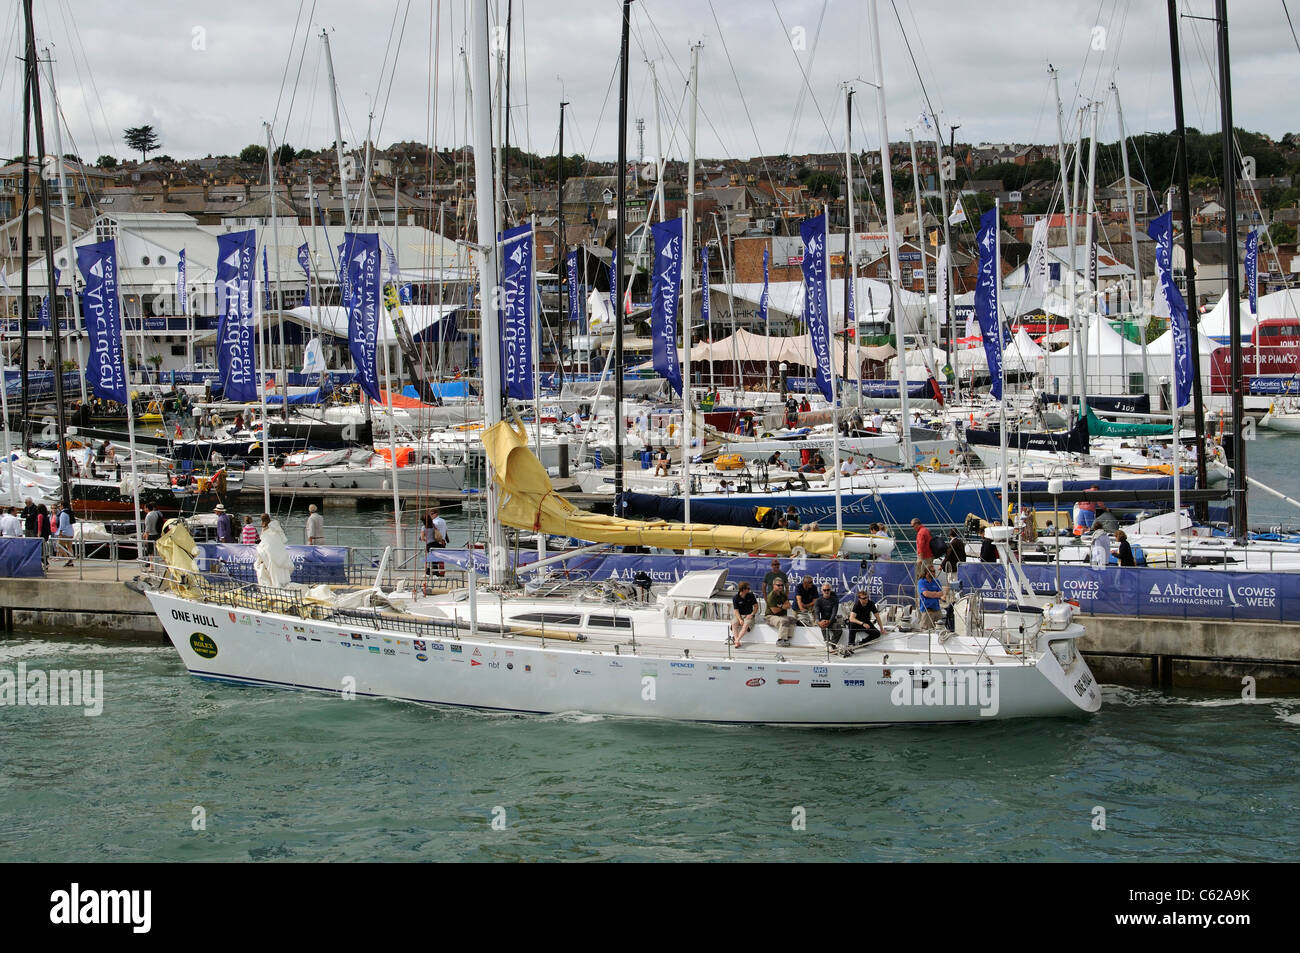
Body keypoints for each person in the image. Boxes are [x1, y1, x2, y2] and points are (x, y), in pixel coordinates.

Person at [765, 577, 795, 646]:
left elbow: (789, 605)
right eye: (778, 585)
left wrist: (780, 606)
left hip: (781, 616)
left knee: (793, 620)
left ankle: (787, 637)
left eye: (782, 585)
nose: (781, 587)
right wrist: (783, 607)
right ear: (773, 585)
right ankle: (780, 640)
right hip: (770, 617)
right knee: (784, 620)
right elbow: (774, 611)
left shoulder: (783, 594)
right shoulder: (771, 596)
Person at [731, 581, 759, 648]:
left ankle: (737, 640)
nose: (749, 590)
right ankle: (737, 641)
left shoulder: (751, 596)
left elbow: (756, 606)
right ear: (743, 590)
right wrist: (740, 619)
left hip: (749, 614)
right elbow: (736, 610)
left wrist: (752, 614)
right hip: (739, 615)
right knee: (734, 623)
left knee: (746, 624)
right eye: (748, 588)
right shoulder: (735, 598)